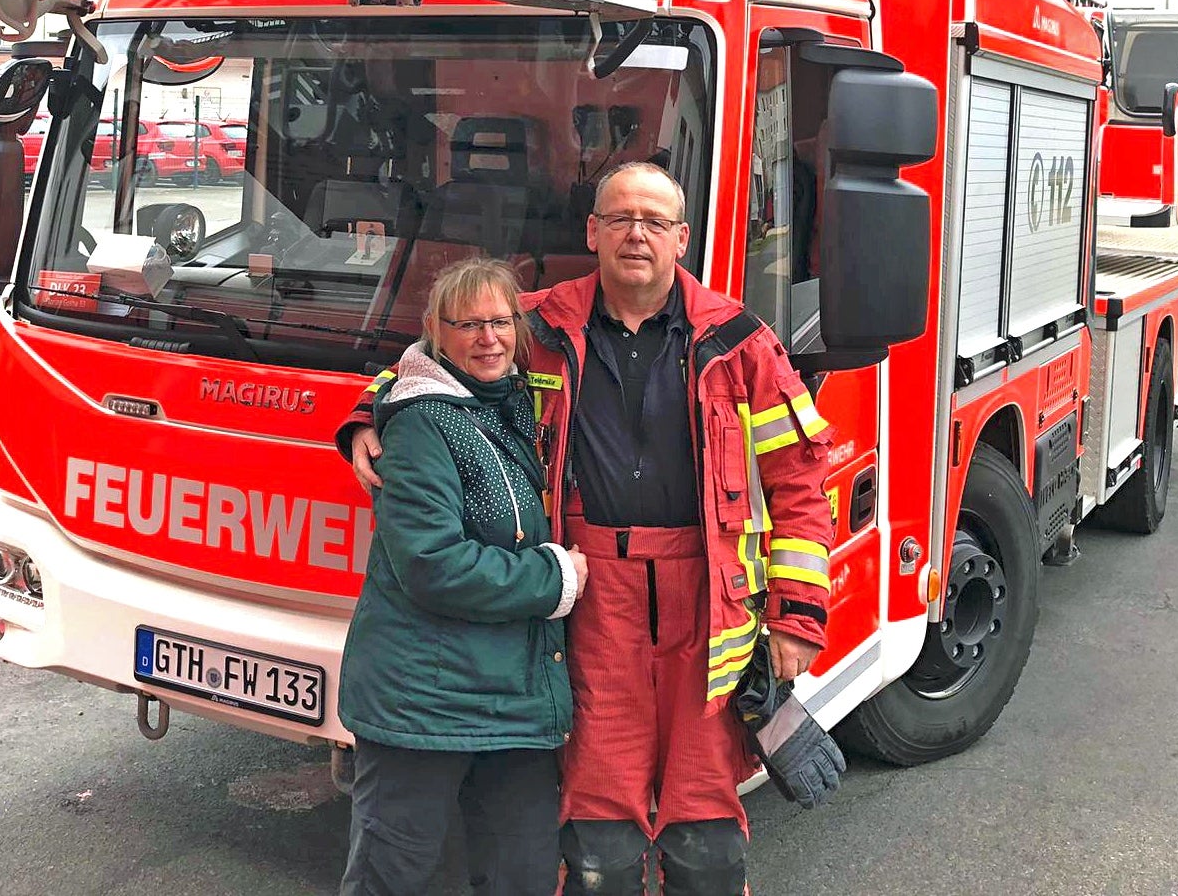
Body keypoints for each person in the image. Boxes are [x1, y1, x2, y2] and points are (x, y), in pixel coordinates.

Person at [341, 162, 835, 894]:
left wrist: (796, 613)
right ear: (592, 231)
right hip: (589, 586)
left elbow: (798, 478)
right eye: (619, 218)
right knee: (597, 811)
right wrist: (364, 417)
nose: (636, 233)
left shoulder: (739, 343)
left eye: (654, 221)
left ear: (681, 238)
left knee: (704, 818)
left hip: (706, 592)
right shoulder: (540, 321)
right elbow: (437, 354)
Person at [337, 257, 590, 896]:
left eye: (501, 322)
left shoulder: (515, 397)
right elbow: (433, 565)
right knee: (394, 875)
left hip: (515, 699)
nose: (488, 338)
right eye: (468, 325)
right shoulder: (425, 421)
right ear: (436, 332)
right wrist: (553, 579)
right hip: (424, 705)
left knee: (525, 874)